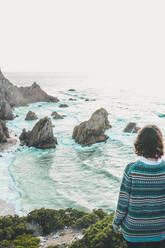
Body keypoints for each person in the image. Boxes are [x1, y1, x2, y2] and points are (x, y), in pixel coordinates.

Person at [113, 125, 165, 248]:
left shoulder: (132, 169)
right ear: (159, 144)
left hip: (133, 231)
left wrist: (116, 222)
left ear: (139, 143)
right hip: (159, 230)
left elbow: (123, 203)